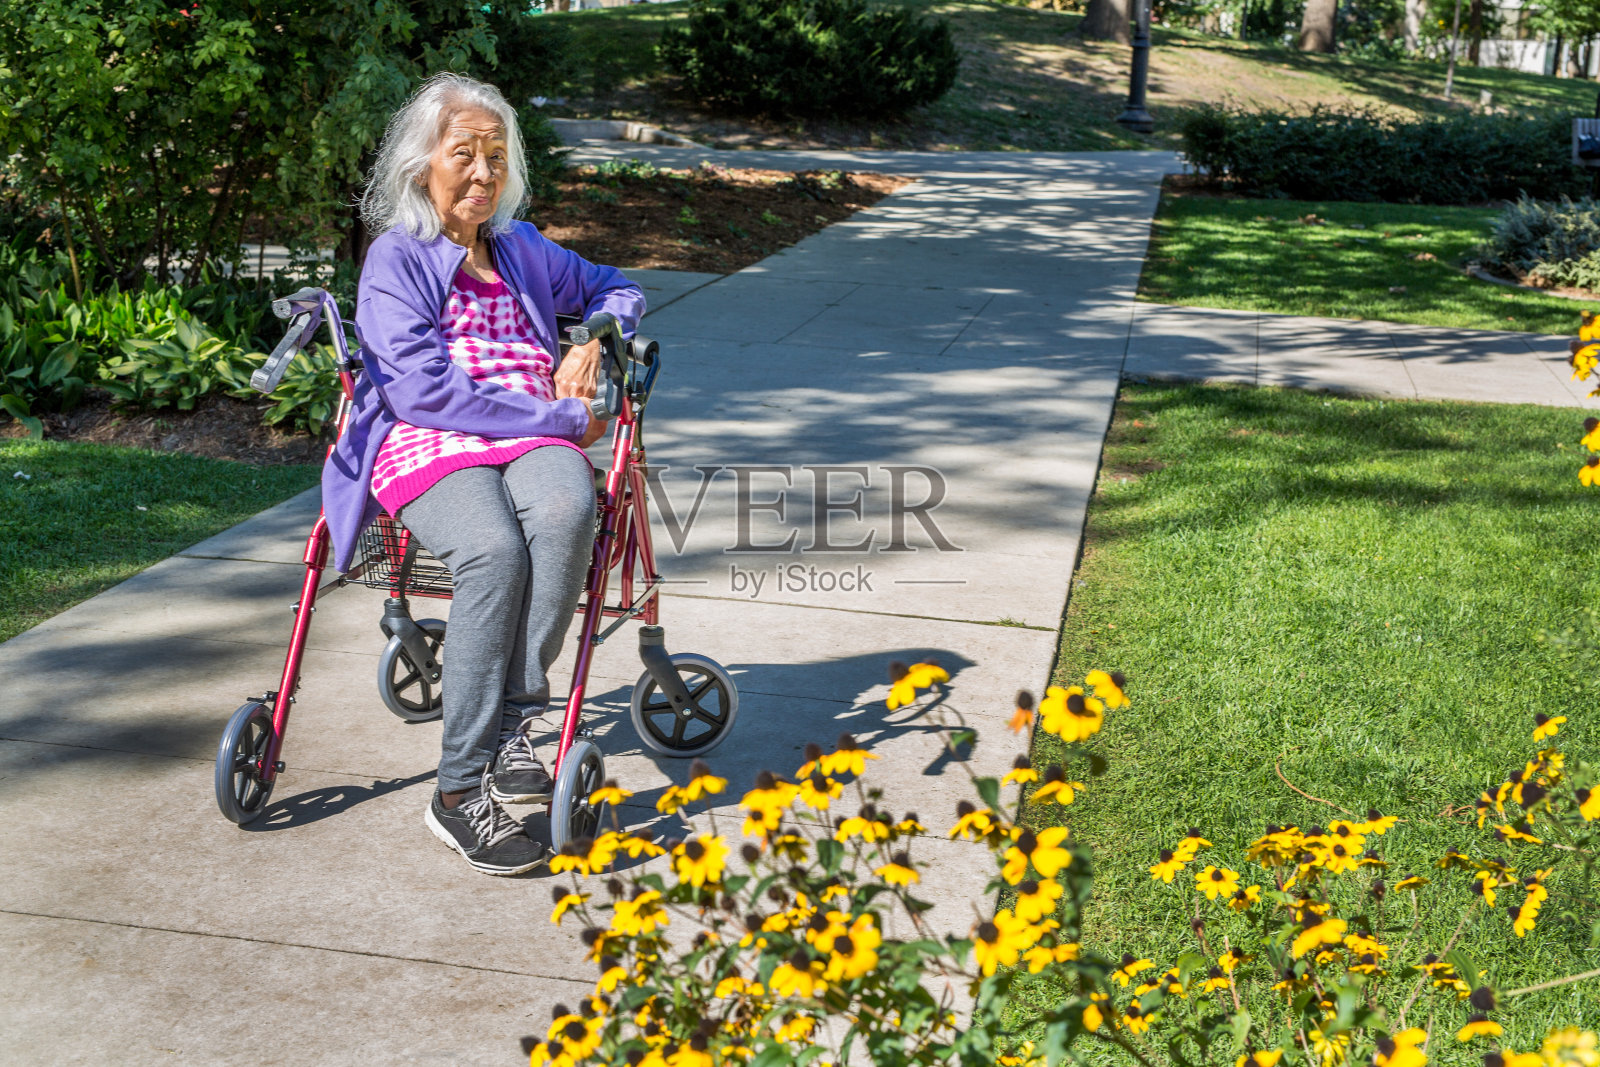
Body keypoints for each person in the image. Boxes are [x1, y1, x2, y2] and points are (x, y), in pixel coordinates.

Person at [320, 73, 645, 875]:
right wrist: (560, 417)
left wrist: (593, 338)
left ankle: (509, 727)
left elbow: (621, 288)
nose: (482, 172)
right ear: (422, 164)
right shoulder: (396, 258)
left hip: (529, 436)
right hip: (431, 438)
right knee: (493, 552)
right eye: (463, 153)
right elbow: (423, 392)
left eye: (496, 156)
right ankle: (458, 791)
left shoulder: (523, 248)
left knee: (568, 510)